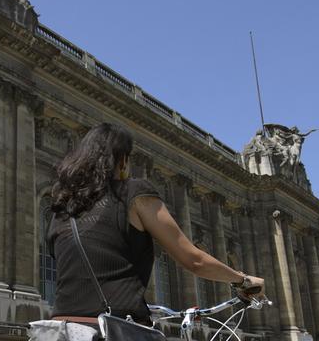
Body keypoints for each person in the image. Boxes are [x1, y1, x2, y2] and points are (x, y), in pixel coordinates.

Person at [48, 123, 265, 325]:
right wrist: (243, 280)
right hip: (114, 327)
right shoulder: (133, 192)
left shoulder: (62, 209)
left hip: (60, 328)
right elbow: (194, 260)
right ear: (122, 159)